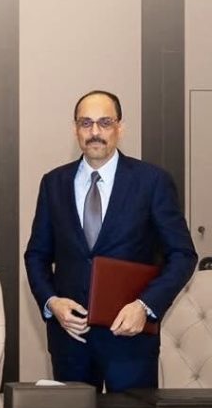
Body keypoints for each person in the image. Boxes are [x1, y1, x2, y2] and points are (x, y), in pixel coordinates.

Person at [24, 90, 197, 392]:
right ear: (75, 129)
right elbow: (36, 255)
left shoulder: (152, 181)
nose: (95, 132)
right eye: (86, 123)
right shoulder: (54, 183)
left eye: (104, 122)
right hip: (71, 340)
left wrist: (145, 306)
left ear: (120, 128)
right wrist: (52, 302)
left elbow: (183, 254)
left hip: (130, 340)